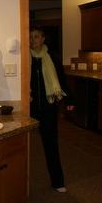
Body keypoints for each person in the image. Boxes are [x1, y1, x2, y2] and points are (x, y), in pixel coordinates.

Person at [30, 29, 74, 193]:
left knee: (51, 145)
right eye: (30, 37)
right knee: (23, 145)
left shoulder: (52, 58)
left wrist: (70, 100)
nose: (33, 40)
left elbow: (61, 80)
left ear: (43, 38)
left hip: (48, 107)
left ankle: (58, 181)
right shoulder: (25, 59)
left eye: (36, 36)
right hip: (30, 107)